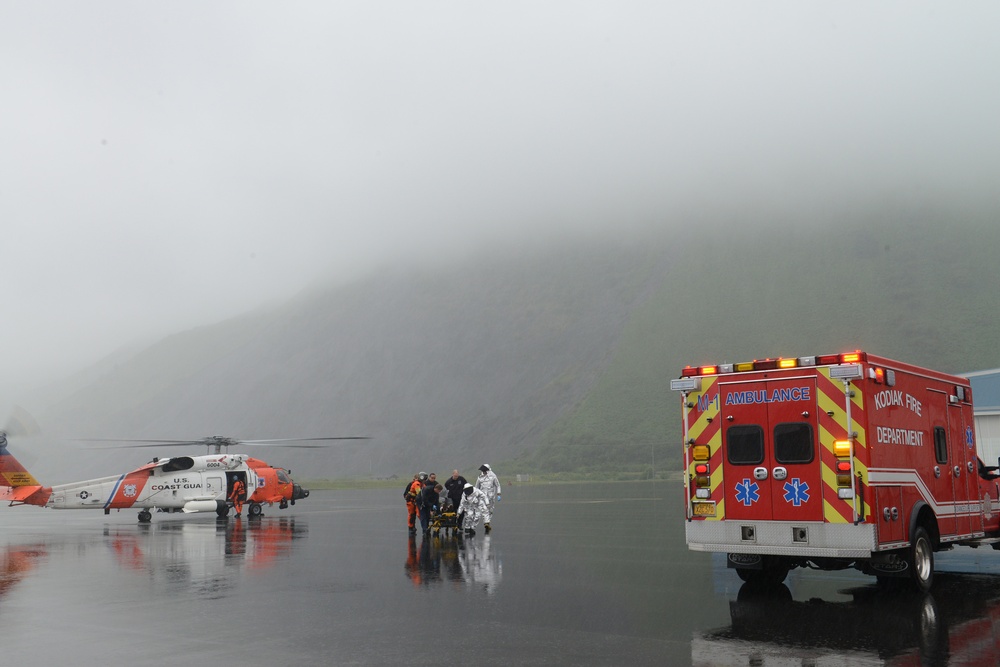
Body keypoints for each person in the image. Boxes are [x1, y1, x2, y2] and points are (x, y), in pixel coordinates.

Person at [475, 464, 501, 533]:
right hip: (482, 496)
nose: (483, 472)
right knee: (484, 510)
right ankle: (486, 523)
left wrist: (498, 494)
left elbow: (498, 485)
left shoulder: (493, 477)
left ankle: (487, 522)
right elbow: (476, 487)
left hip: (491, 497)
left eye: (485, 471)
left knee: (490, 510)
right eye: (482, 471)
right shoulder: (480, 477)